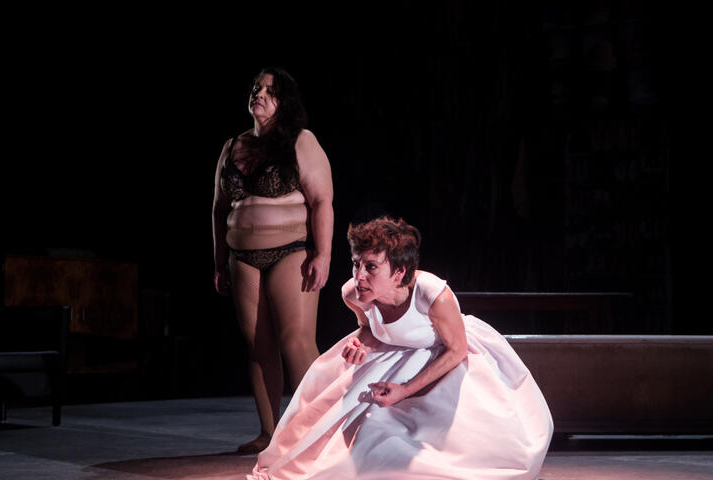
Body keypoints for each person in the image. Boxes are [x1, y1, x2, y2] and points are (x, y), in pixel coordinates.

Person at [247, 217, 552, 480]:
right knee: (364, 435)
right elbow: (369, 328)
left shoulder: (433, 294)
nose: (359, 276)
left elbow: (456, 350)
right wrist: (360, 343)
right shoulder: (353, 294)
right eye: (356, 264)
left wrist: (405, 390)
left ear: (399, 272)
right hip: (396, 356)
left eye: (371, 267)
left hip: (448, 357)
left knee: (460, 445)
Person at [212, 67, 333, 454]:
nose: (259, 94)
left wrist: (323, 255)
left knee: (295, 342)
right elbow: (218, 209)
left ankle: (323, 433)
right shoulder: (233, 145)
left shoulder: (301, 141)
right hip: (241, 257)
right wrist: (219, 262)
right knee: (258, 346)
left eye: (269, 90)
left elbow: (322, 201)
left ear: (285, 101)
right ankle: (269, 434)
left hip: (290, 252)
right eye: (256, 88)